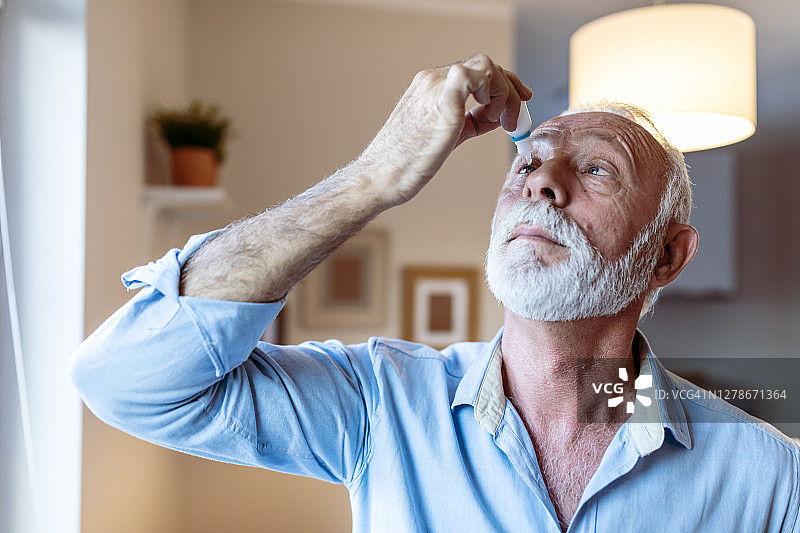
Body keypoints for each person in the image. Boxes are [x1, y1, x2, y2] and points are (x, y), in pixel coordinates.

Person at [70, 54, 799, 532]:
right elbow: (125, 379)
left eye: (599, 169)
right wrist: (376, 175)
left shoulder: (771, 478)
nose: (544, 181)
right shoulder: (381, 404)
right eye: (529, 164)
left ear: (667, 255)